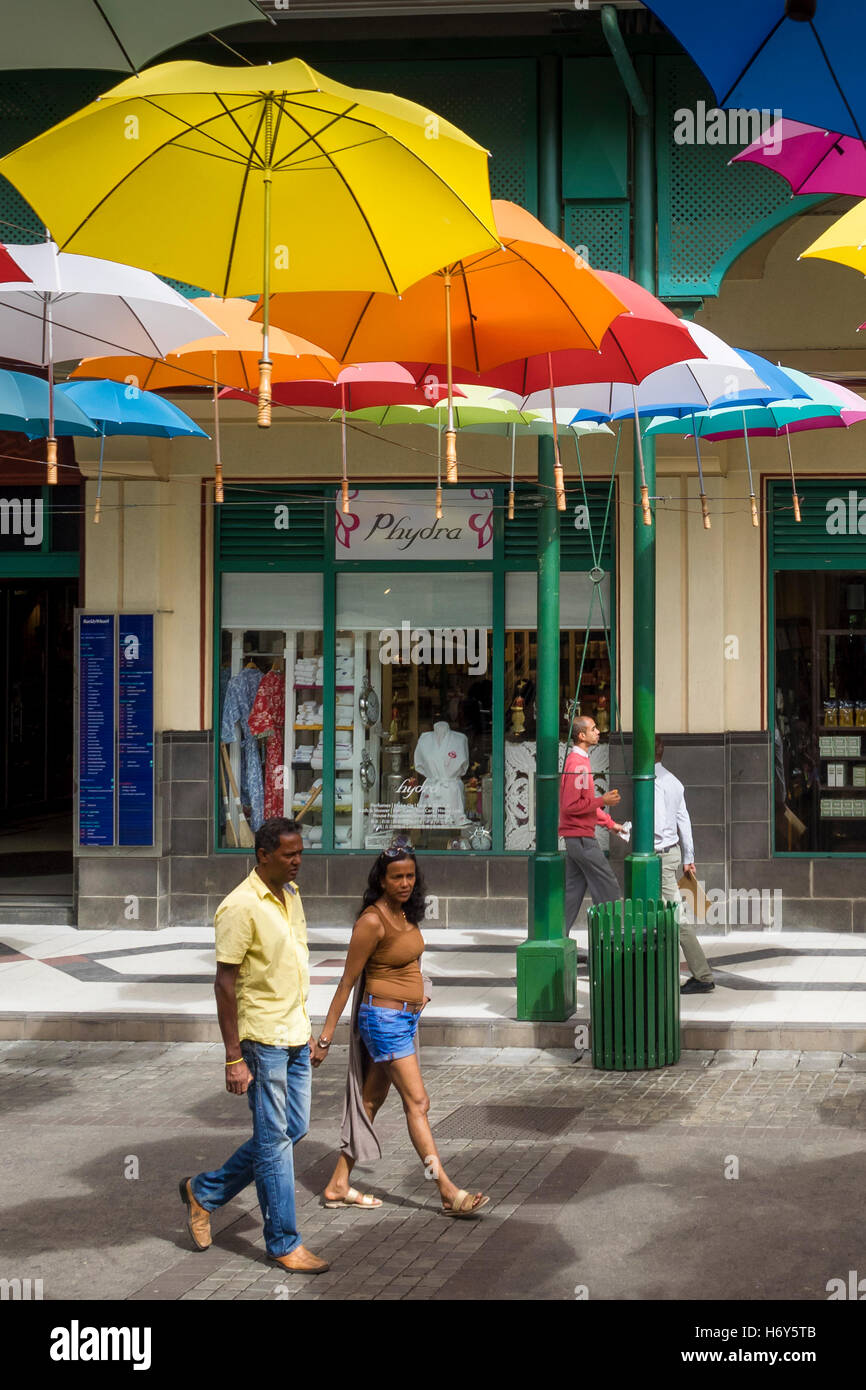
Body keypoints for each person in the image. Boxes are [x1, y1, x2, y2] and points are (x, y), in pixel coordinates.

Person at [178, 818, 329, 1274]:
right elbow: (225, 985)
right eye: (289, 854)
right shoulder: (239, 906)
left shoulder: (292, 895)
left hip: (296, 1034)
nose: (298, 860)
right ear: (264, 855)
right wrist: (233, 1057)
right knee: (274, 1145)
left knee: (290, 1131)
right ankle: (283, 1241)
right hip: (261, 1041)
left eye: (301, 852)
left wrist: (310, 1027)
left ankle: (204, 1191)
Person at [312, 847, 489, 1218]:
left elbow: (409, 958)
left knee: (371, 1103)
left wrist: (419, 990)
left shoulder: (407, 912)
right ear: (381, 879)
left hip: (405, 1020)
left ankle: (338, 1183)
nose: (405, 883)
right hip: (384, 1023)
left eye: (410, 876)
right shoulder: (372, 921)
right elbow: (347, 981)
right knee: (418, 1103)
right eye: (397, 877)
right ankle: (446, 1190)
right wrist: (325, 1038)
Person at [654, 737, 715, 994]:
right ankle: (659, 970)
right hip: (674, 854)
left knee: (676, 918)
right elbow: (684, 821)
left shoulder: (653, 783)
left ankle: (702, 975)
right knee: (661, 916)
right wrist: (689, 858)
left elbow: (655, 828)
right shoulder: (674, 781)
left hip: (658, 856)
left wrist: (624, 829)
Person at [560, 715, 625, 931]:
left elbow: (582, 804)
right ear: (581, 735)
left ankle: (559, 938)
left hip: (576, 839)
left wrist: (610, 823)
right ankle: (611, 940)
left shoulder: (578, 761)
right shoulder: (578, 764)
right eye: (594, 729)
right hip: (581, 838)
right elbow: (571, 806)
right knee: (609, 888)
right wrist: (602, 800)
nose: (598, 732)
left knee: (573, 892)